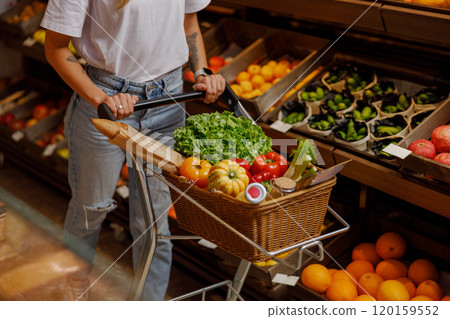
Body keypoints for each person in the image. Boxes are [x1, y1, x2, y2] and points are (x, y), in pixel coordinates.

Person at [41, 0, 225, 301]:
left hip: (167, 100)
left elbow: (188, 22)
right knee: (92, 207)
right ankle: (75, 281)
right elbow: (56, 49)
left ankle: (147, 303)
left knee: (154, 222)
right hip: (104, 99)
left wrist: (202, 71)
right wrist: (101, 97)